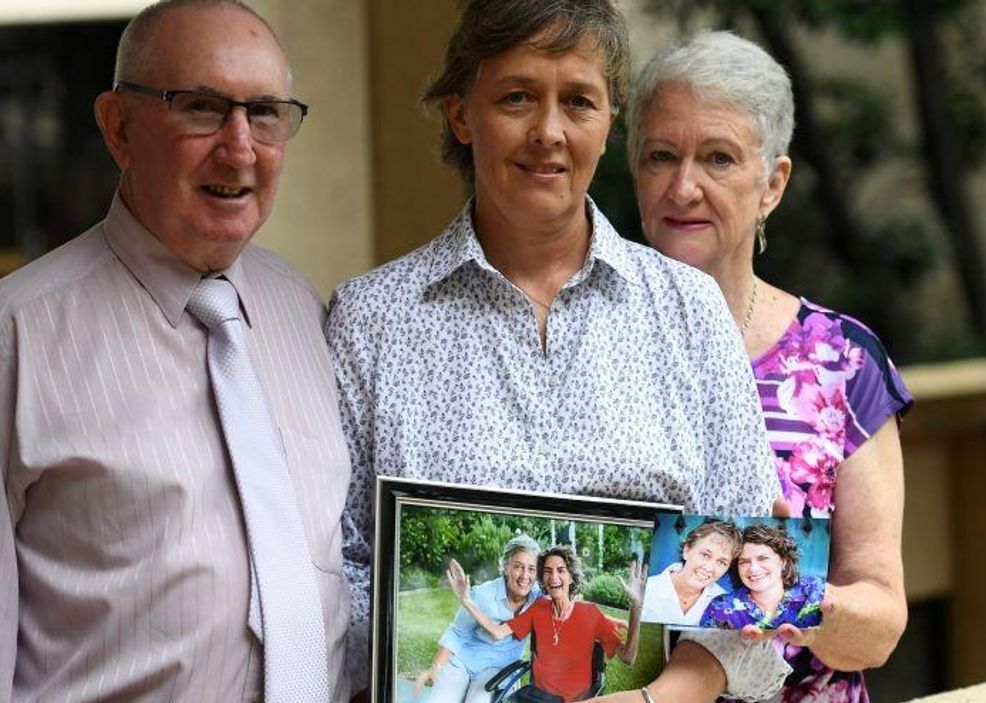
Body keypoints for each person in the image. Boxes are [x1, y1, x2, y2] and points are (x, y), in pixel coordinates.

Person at [328, 1, 787, 701]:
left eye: (577, 101)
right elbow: (339, 563)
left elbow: (747, 552)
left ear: (609, 124)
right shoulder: (370, 320)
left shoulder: (688, 310)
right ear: (459, 114)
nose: (548, 132)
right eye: (516, 97)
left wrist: (653, 697)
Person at [0, 2, 351, 701]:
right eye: (202, 108)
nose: (239, 147)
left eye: (265, 113)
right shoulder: (0, 344)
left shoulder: (300, 310)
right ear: (118, 127)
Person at [626, 30, 914, 702]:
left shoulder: (840, 362)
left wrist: (791, 598)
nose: (683, 185)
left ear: (771, 185)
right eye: (660, 156)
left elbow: (878, 622)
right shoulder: (584, 340)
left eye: (718, 158)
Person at [447, 546, 642, 703]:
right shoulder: (538, 608)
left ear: (572, 577)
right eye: (547, 571)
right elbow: (497, 633)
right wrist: (466, 600)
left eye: (561, 571)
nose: (553, 577)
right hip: (535, 698)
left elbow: (628, 657)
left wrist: (636, 608)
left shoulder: (590, 613)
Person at [416, 535, 545, 703]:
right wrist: (436, 667)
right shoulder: (484, 594)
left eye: (531, 569)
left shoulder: (538, 599)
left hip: (497, 668)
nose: (524, 575)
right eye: (518, 567)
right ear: (506, 568)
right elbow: (457, 632)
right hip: (463, 662)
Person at [700, 524, 825, 632]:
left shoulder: (814, 591)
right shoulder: (720, 607)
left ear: (783, 561)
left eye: (763, 558)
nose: (753, 568)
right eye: (744, 561)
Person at [641, 520, 739, 627]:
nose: (709, 568)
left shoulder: (726, 604)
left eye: (721, 562)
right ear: (686, 551)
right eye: (705, 555)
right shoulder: (648, 589)